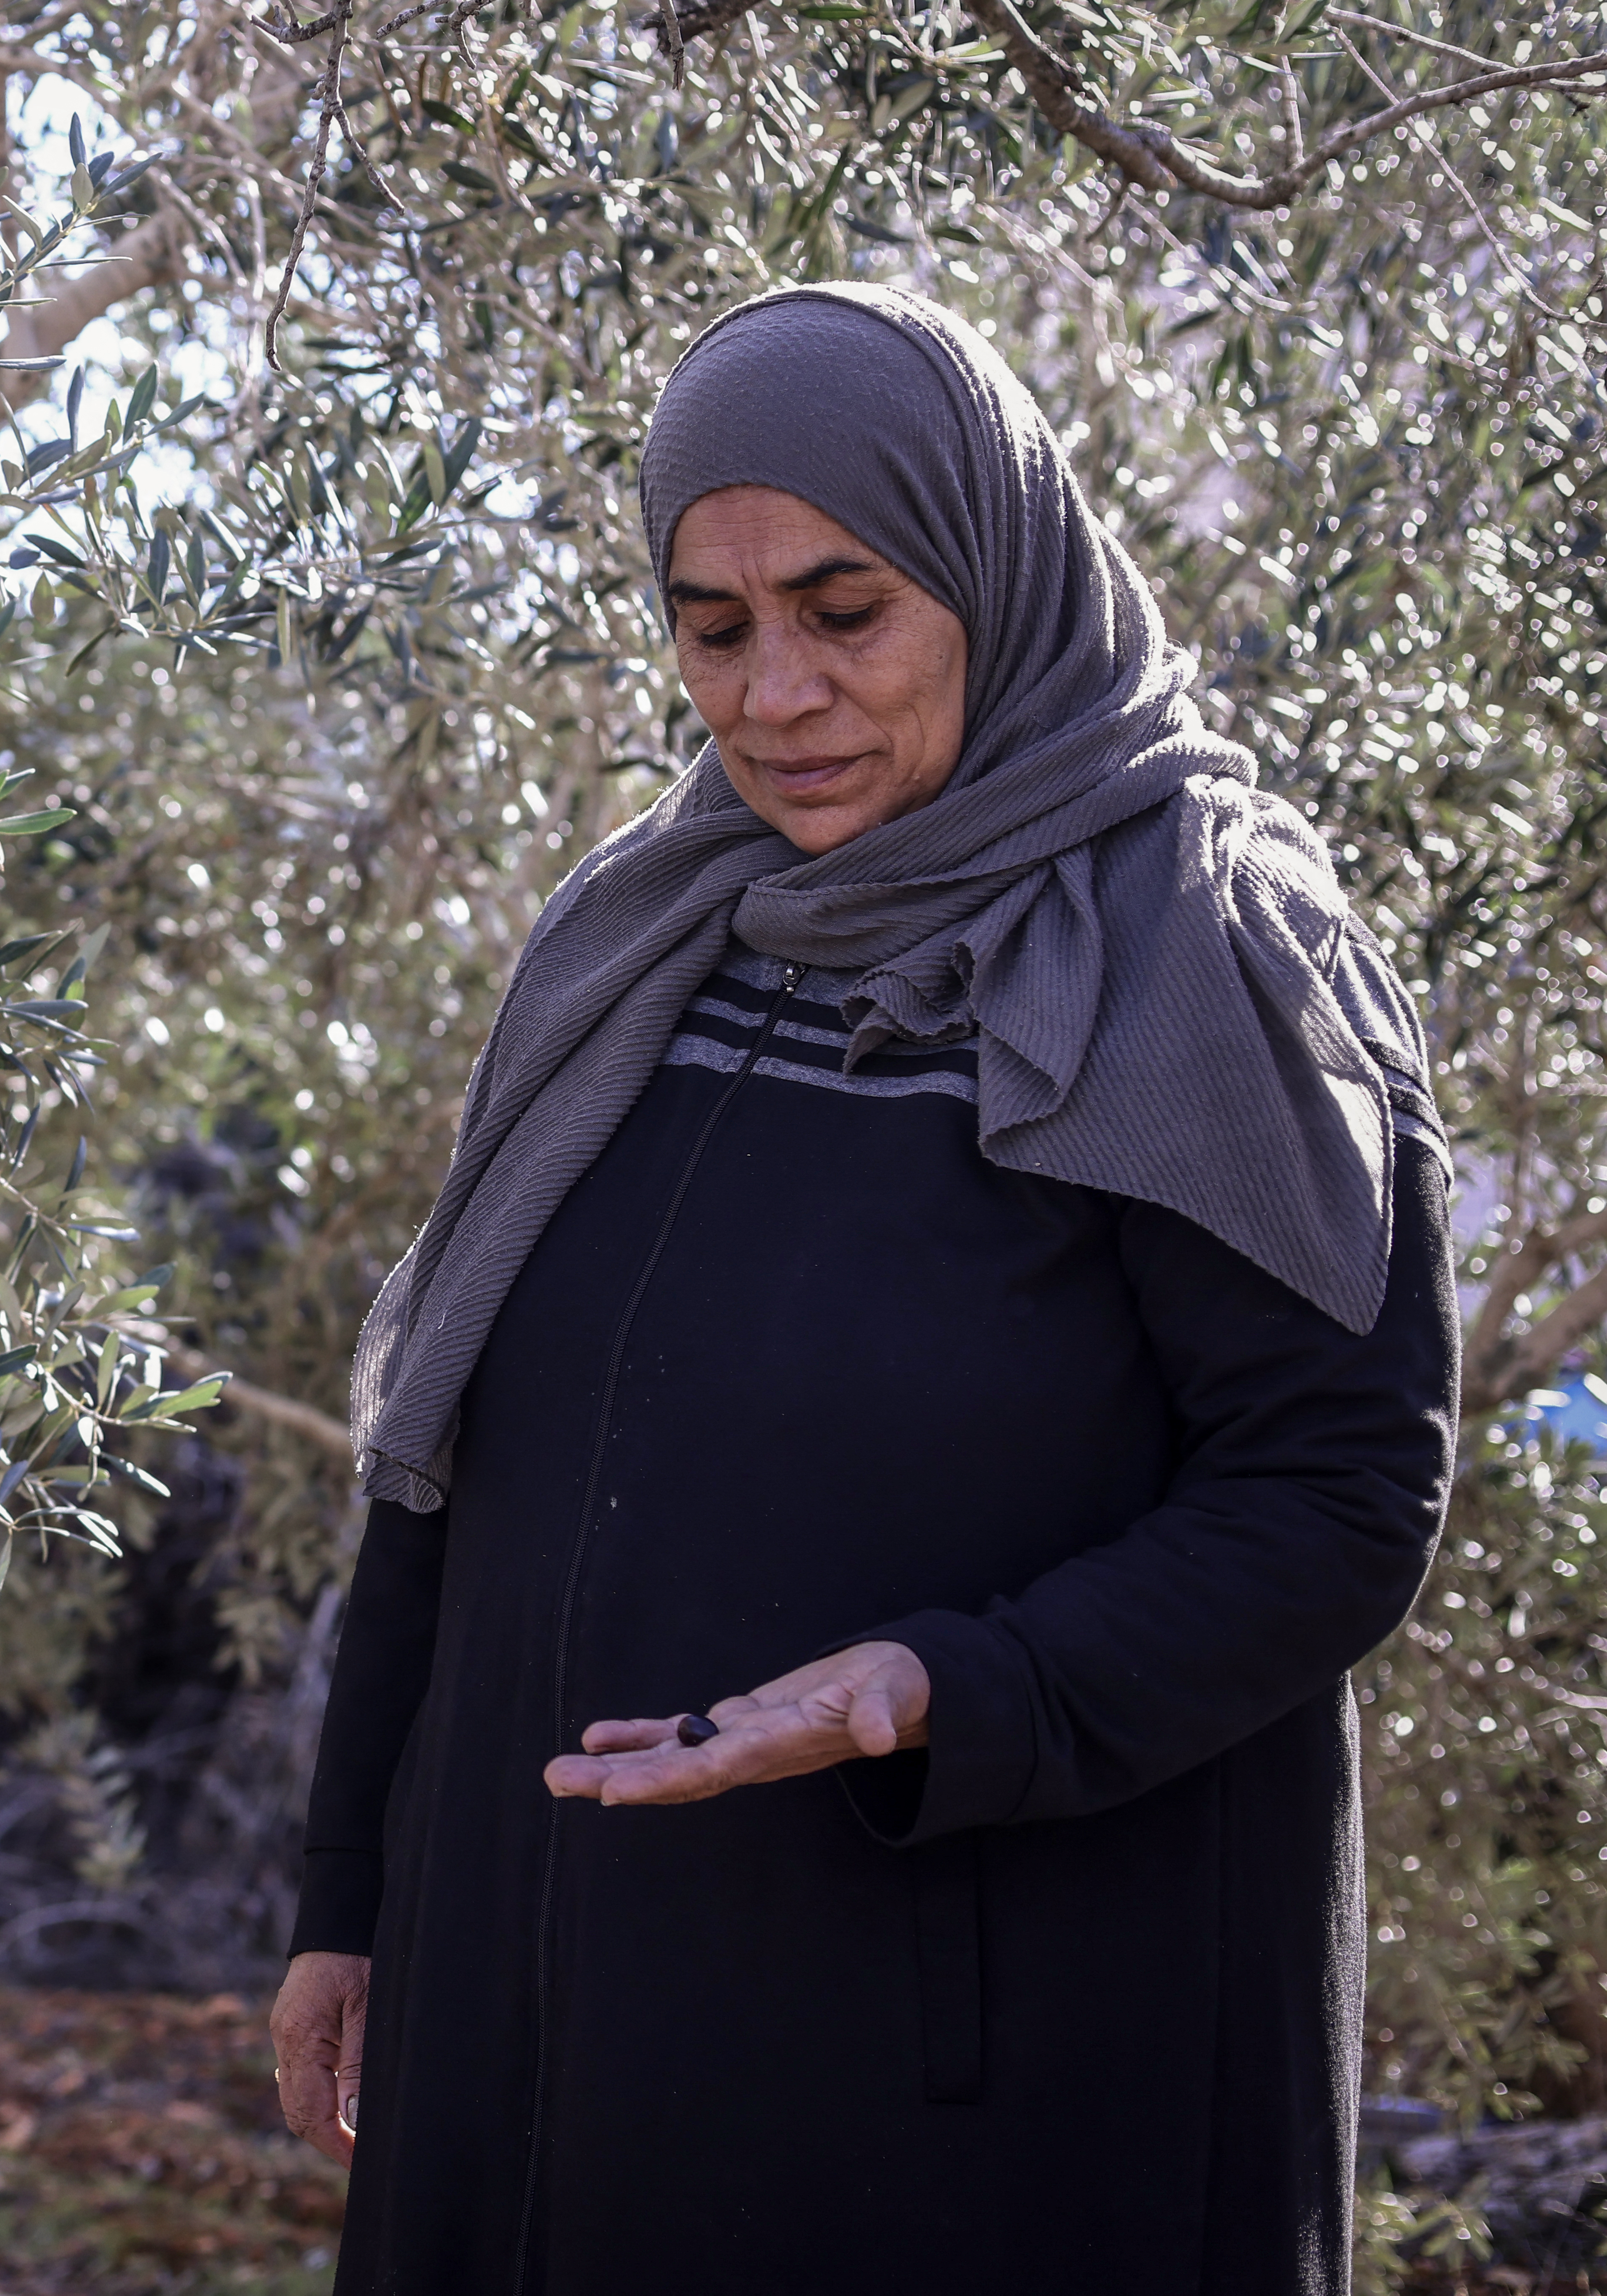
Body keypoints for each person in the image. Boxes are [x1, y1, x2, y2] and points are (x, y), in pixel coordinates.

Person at [265, 283, 1457, 2295]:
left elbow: (1334, 1497)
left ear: (990, 579)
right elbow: (452, 1447)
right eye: (711, 627)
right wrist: (351, 1886)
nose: (774, 694)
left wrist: (938, 1685)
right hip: (543, 2004)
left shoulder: (1199, 951)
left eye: (846, 609)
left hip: (979, 2052)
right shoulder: (644, 934)